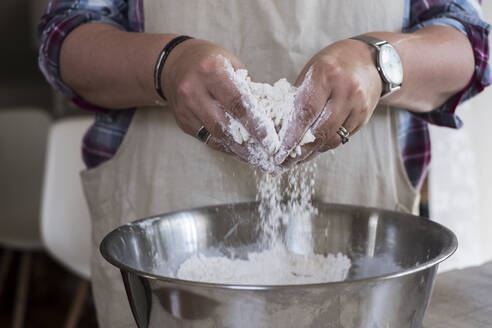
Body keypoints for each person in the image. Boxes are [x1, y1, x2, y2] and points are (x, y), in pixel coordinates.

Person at [39, 0, 489, 326]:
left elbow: (470, 47)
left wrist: (380, 63)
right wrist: (166, 65)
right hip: (168, 265)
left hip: (362, 266)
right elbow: (65, 37)